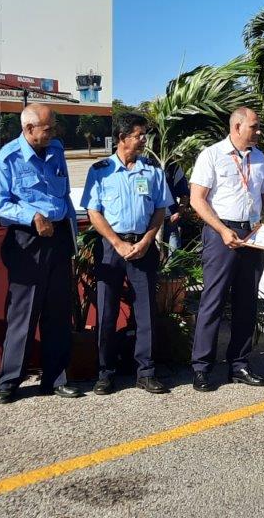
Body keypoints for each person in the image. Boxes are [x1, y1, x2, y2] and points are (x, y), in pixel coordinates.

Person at [0, 103, 82, 403]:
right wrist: (32, 216)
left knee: (58, 312)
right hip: (27, 241)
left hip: (58, 239)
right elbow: (0, 203)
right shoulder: (8, 157)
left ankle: (55, 379)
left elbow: (64, 194)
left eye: (53, 127)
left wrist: (73, 238)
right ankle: (9, 381)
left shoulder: (56, 149)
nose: (53, 132)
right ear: (29, 129)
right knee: (24, 313)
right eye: (48, 128)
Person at [188, 107, 264, 392]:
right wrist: (222, 229)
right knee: (213, 301)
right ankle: (202, 367)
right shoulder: (212, 155)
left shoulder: (259, 157)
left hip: (252, 233)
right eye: (254, 126)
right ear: (237, 127)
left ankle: (239, 363)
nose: (259, 131)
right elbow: (197, 199)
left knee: (247, 302)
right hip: (221, 233)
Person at [81, 112, 172, 395]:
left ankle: (145, 372)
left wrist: (146, 240)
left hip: (143, 247)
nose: (144, 140)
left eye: (144, 134)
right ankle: (105, 373)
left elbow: (160, 210)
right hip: (111, 248)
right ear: (122, 138)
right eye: (138, 135)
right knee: (106, 313)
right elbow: (93, 211)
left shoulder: (152, 171)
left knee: (145, 313)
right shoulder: (101, 170)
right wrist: (116, 242)